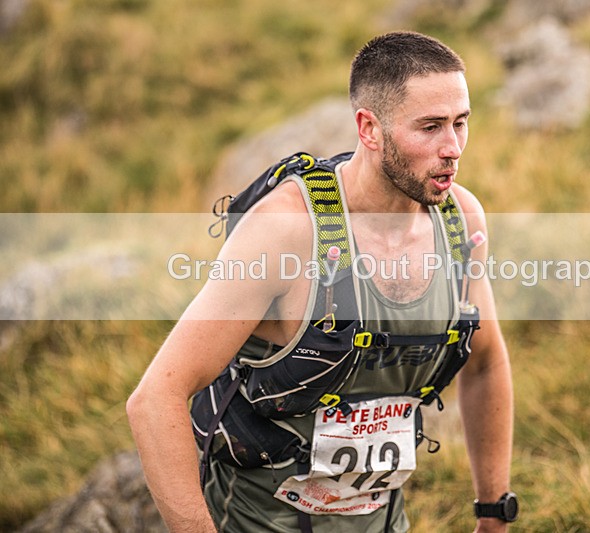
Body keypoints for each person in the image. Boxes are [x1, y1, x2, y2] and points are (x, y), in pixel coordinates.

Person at [127, 31, 514, 533]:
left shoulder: (460, 220)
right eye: (431, 127)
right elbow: (155, 397)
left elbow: (486, 362)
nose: (453, 148)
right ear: (369, 129)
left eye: (461, 123)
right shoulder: (286, 232)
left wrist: (493, 513)